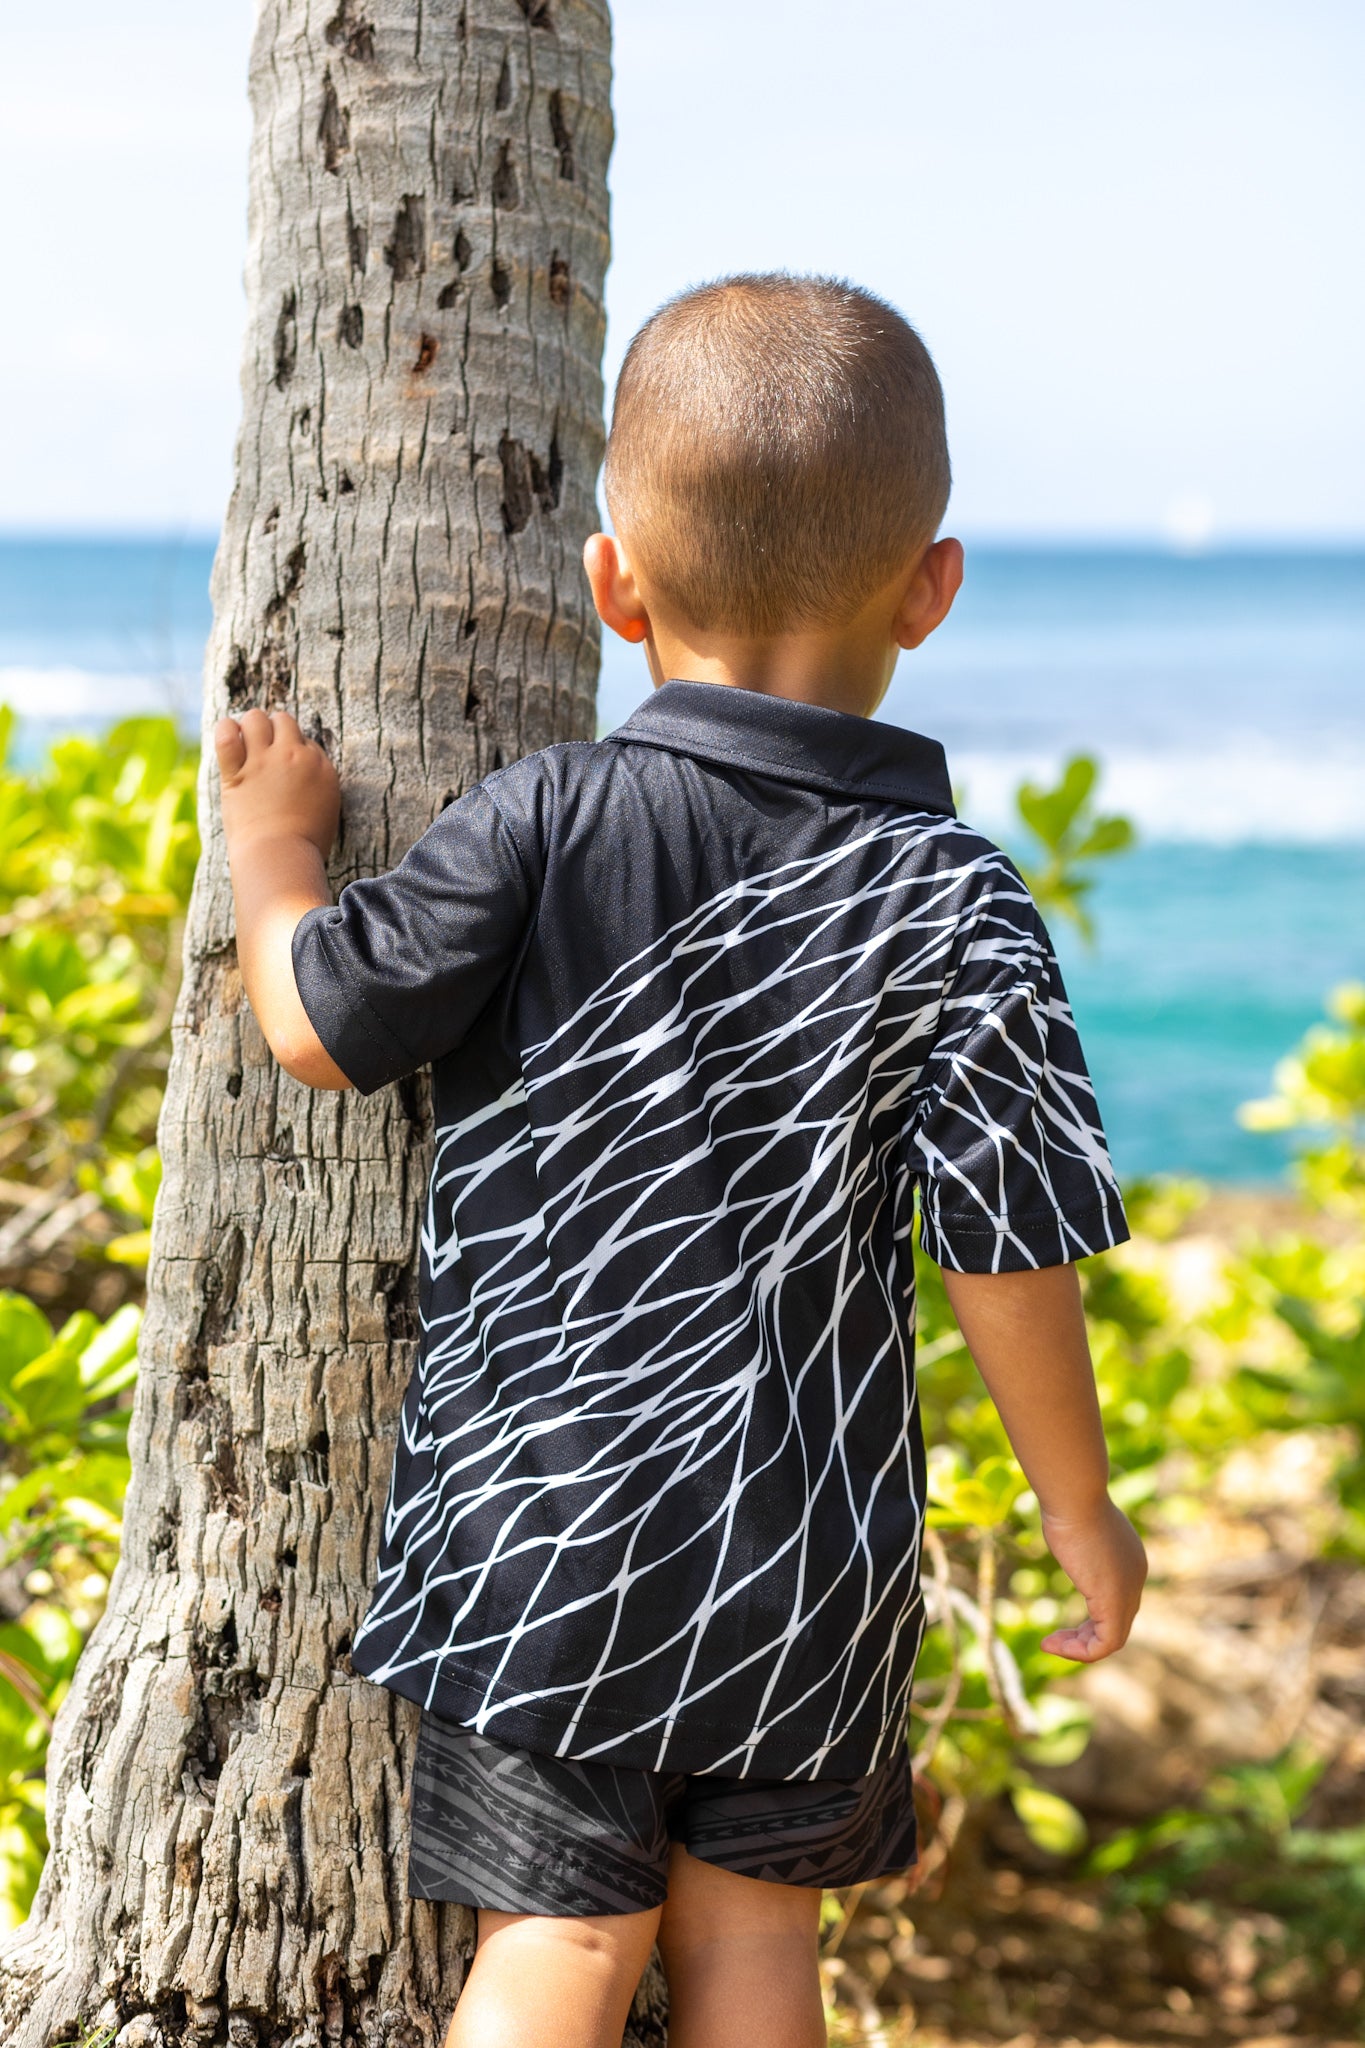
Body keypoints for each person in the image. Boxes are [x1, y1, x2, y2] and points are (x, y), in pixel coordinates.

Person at [214, 274, 1146, 2048]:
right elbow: (1004, 1244)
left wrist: (274, 854)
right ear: (929, 587)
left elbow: (319, 1024)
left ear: (613, 585)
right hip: (810, 1556)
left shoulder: (546, 818)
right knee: (752, 1956)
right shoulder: (957, 901)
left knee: (563, 1948)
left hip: (545, 1535)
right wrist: (1074, 1508)